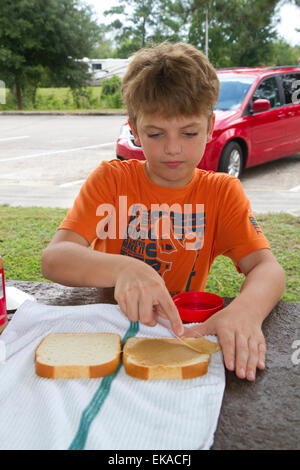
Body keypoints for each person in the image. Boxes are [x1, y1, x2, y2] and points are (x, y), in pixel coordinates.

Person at [41, 42, 285, 381]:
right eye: (156, 134)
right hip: (106, 333)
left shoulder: (221, 192)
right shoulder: (112, 180)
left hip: (175, 335)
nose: (173, 149)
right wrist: (125, 268)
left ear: (210, 125)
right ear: (135, 129)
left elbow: (267, 269)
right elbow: (54, 258)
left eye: (189, 133)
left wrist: (245, 311)